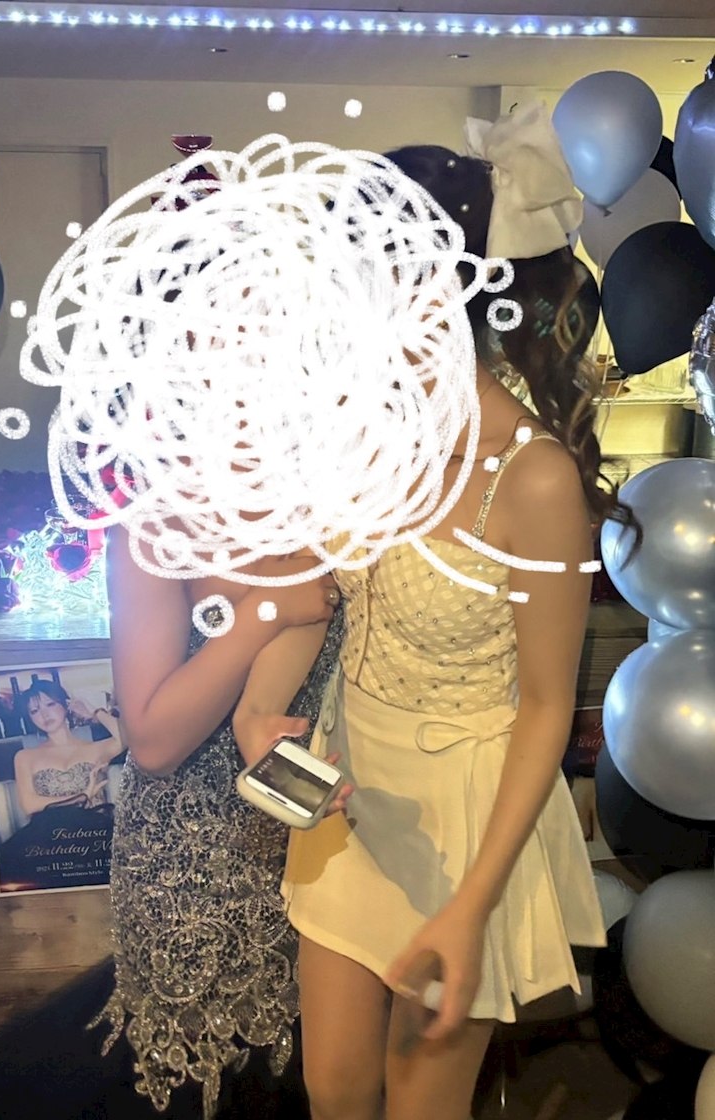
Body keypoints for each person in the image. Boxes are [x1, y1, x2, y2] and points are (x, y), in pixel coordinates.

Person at [235, 102, 640, 1120]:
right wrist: (257, 707)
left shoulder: (533, 479)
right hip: (344, 786)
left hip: (468, 825)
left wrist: (473, 906)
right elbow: (313, 597)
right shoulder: (358, 435)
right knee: (333, 1090)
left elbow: (546, 707)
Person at [91, 527, 347, 1119]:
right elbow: (154, 744)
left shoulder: (334, 508)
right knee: (211, 1085)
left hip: (319, 840)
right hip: (190, 870)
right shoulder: (155, 532)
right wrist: (267, 608)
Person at [13, 680, 122, 818]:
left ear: (66, 705)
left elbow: (129, 739)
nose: (44, 714)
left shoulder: (95, 749)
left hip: (96, 825)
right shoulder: (24, 757)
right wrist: (81, 797)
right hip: (51, 828)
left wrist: (94, 712)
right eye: (35, 711)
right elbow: (29, 805)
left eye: (50, 704)